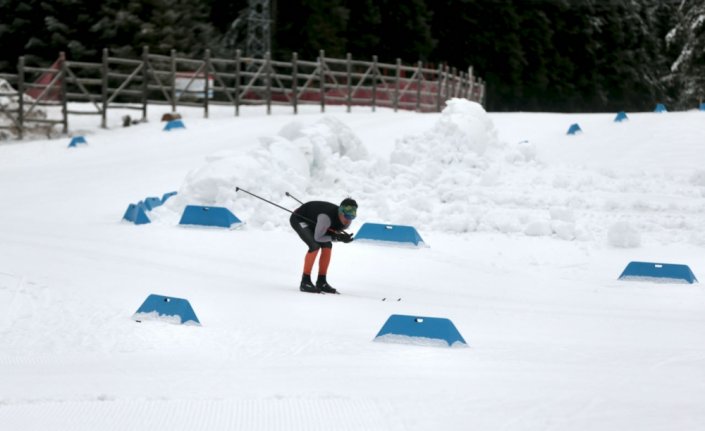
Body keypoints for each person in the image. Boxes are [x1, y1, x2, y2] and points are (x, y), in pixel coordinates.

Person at [289, 198, 357, 294]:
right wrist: (336, 238)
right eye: (346, 216)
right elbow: (318, 237)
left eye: (352, 217)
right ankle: (305, 282)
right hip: (299, 218)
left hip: (316, 222)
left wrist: (341, 236)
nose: (348, 220)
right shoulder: (326, 217)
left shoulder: (345, 221)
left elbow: (332, 230)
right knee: (314, 245)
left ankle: (321, 281)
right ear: (340, 212)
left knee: (327, 246)